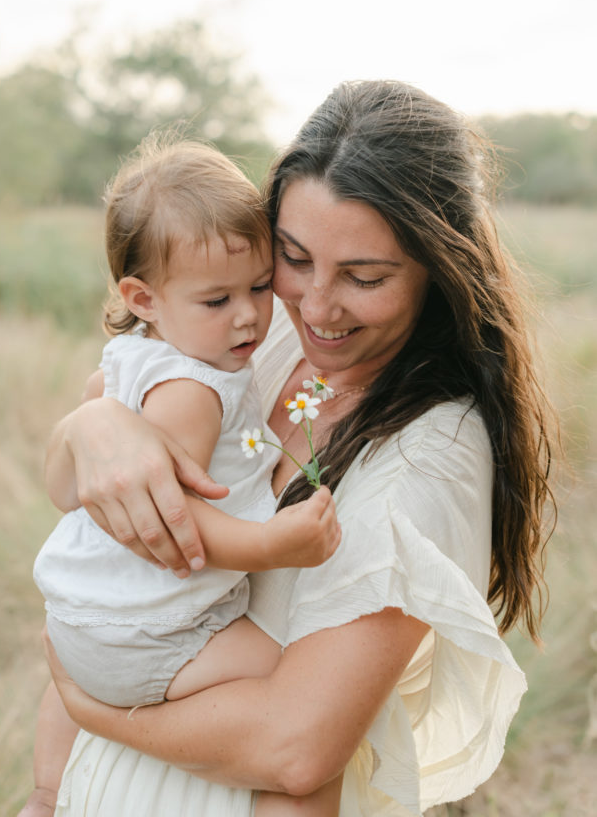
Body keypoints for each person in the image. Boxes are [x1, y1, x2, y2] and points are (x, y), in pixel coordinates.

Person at [34, 80, 556, 817]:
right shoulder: (261, 333)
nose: (314, 307)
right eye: (294, 257)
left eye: (365, 277)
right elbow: (71, 484)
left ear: (439, 271)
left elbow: (297, 749)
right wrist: (90, 428)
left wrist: (89, 702)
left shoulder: (431, 450)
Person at [23, 138, 343, 817]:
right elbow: (172, 521)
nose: (249, 314)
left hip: (82, 622)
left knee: (71, 685)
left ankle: (46, 796)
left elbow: (79, 466)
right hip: (151, 636)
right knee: (303, 707)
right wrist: (272, 547)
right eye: (217, 299)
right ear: (143, 296)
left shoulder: (129, 358)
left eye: (259, 285)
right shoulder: (192, 392)